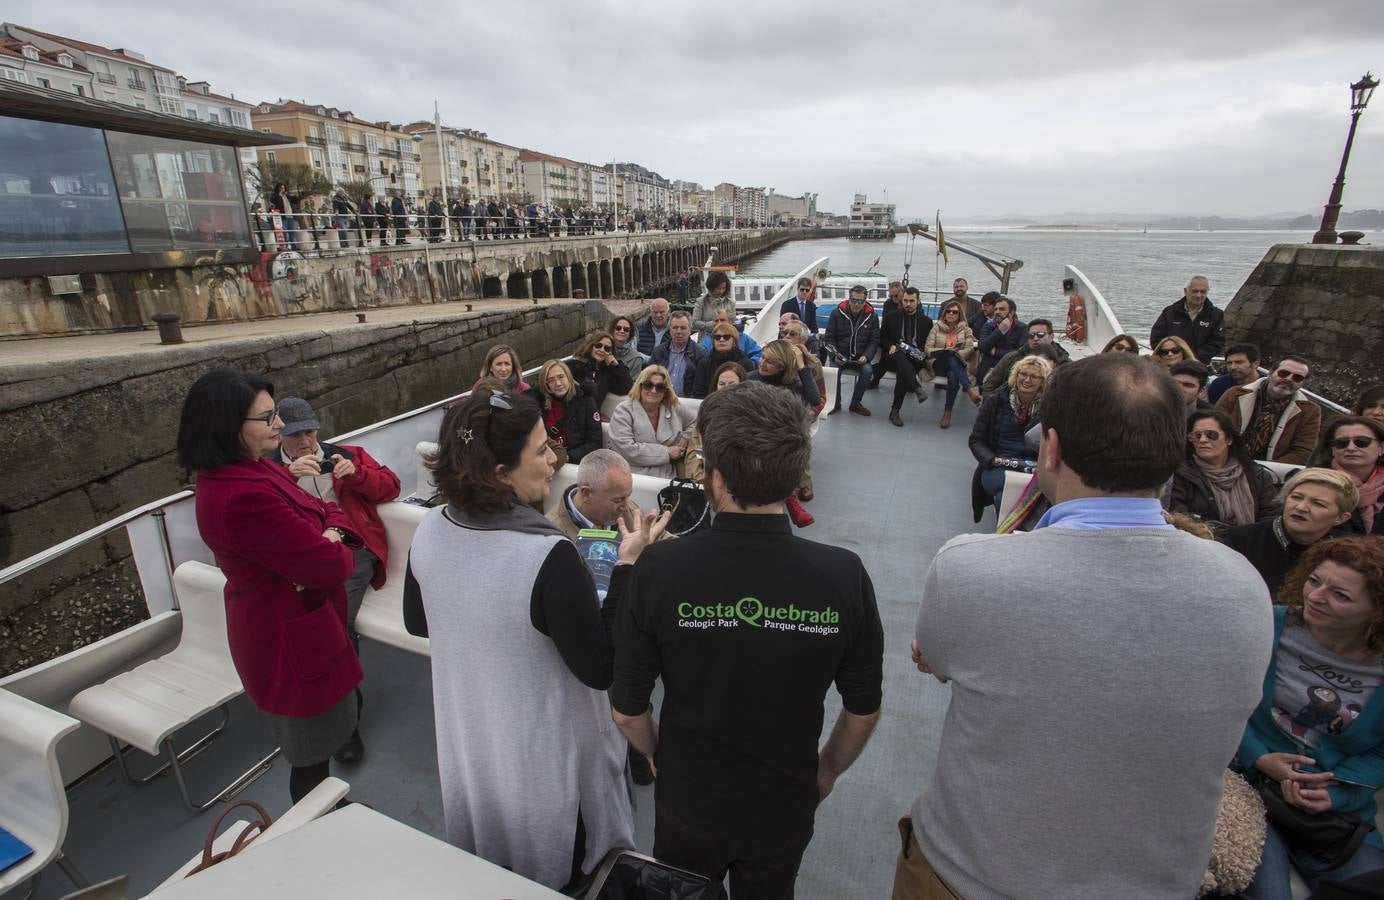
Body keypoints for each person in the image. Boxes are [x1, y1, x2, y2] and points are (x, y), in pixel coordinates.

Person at [896, 352, 1273, 900]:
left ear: (1051, 448)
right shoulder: (1243, 585)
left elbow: (934, 656)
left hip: (975, 875)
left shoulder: (972, 568)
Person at [612, 382, 883, 898]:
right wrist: (823, 774)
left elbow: (627, 711)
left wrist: (660, 758)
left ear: (715, 478)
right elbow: (863, 710)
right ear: (794, 476)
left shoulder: (660, 569)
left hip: (690, 799)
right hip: (785, 802)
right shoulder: (844, 576)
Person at [402, 387, 665, 890]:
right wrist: (628, 564)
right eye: (542, 450)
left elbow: (420, 622)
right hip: (546, 765)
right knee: (565, 869)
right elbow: (600, 669)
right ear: (500, 473)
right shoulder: (547, 557)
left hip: (476, 745)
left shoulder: (432, 527)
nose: (553, 460)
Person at [176, 370, 363, 803]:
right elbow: (329, 564)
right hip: (290, 641)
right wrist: (329, 538)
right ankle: (323, 824)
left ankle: (333, 815)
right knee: (311, 756)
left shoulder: (251, 470)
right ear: (228, 427)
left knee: (320, 742)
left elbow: (321, 509)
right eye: (267, 418)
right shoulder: (241, 496)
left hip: (302, 621)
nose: (279, 425)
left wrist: (326, 531)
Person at [1232, 537, 1384, 898]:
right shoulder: (1268, 624)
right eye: (1314, 581)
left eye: (1340, 595)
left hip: (1333, 813)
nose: (1315, 597)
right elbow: (1218, 701)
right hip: (1248, 788)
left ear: (1377, 611)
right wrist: (1258, 756)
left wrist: (1335, 791)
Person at [274, 397, 400, 764]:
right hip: (300, 556)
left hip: (350, 548)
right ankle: (304, 709)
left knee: (336, 623)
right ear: (280, 434)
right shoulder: (268, 470)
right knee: (291, 622)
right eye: (296, 435)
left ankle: (346, 723)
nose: (306, 442)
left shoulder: (347, 454)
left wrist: (356, 475)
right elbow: (257, 504)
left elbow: (390, 486)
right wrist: (289, 476)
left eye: (310, 432)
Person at [1220, 468, 1357, 596]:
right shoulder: (1241, 540)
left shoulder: (1347, 554)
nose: (1301, 507)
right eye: (1296, 497)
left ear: (1340, 518)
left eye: (1318, 503)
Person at [1166, 408, 1281, 529]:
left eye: (1211, 435)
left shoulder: (1257, 475)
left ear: (1229, 439)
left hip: (1249, 544)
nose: (1202, 440)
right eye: (1197, 435)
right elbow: (1179, 517)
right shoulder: (1180, 475)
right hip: (1202, 542)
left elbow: (1270, 518)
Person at [969, 355, 1052, 517]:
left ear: (1043, 381)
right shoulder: (995, 401)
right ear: (1016, 375)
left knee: (1005, 498)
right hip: (999, 465)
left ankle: (1007, 534)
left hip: (1034, 467)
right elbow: (976, 440)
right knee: (1010, 492)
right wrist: (991, 460)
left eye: (1034, 376)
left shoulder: (1050, 408)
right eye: (1023, 374)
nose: (1027, 380)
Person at [1217, 355, 1322, 466]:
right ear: (1270, 373)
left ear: (1303, 383)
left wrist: (1263, 471)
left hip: (1271, 474)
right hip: (1225, 462)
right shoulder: (1234, 394)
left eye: (1297, 378)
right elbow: (1214, 429)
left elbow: (1303, 453)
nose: (1288, 379)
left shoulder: (1310, 411)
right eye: (1283, 373)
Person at [607, 366, 697, 478]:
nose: (653, 391)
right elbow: (627, 449)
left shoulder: (674, 407)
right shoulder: (624, 410)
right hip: (631, 475)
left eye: (660, 387)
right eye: (648, 385)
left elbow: (698, 422)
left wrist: (685, 437)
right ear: (639, 386)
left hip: (667, 475)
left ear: (666, 391)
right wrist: (667, 452)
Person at [1316, 416, 1384, 536]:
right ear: (1332, 449)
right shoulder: (1313, 482)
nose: (1351, 448)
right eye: (1341, 443)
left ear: (1381, 448)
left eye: (1362, 442)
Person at [525, 360, 602, 464]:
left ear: (568, 377)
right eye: (551, 380)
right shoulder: (538, 403)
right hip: (546, 458)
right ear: (546, 384)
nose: (558, 383)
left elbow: (595, 443)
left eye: (561, 377)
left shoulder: (586, 401)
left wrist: (568, 457)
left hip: (575, 461)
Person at [879, 286, 934, 427]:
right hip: (893, 356)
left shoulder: (926, 322)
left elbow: (927, 344)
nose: (908, 304)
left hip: (915, 358)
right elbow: (882, 338)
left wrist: (918, 351)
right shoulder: (890, 317)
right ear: (901, 300)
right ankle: (915, 388)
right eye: (905, 300)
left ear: (918, 301)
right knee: (899, 354)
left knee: (904, 370)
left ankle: (895, 411)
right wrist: (890, 345)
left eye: (911, 301)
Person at [824, 285, 881, 417]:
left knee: (868, 371)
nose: (856, 304)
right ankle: (835, 403)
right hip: (840, 356)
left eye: (860, 301)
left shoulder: (872, 316)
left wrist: (866, 356)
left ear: (865, 300)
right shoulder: (836, 313)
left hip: (860, 357)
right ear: (849, 298)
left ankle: (855, 403)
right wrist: (834, 356)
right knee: (834, 372)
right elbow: (829, 339)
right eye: (854, 300)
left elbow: (874, 341)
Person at [925, 298, 981, 429]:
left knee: (953, 374)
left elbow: (969, 348)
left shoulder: (966, 330)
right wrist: (943, 351)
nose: (951, 314)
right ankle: (969, 389)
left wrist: (956, 353)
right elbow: (927, 349)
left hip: (955, 365)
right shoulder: (936, 328)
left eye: (954, 312)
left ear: (959, 315)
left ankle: (947, 412)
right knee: (950, 356)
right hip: (937, 363)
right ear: (944, 314)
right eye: (948, 311)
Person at [981, 317, 1070, 397]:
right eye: (1031, 335)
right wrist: (993, 407)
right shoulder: (1011, 358)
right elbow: (989, 385)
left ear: (1051, 336)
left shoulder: (1065, 364)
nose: (1035, 338)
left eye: (1041, 334)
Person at [1149, 274, 1226, 364]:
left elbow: (1217, 342)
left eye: (1203, 292)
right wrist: (1173, 354)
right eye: (1195, 291)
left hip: (1199, 365)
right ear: (1186, 291)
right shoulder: (1170, 312)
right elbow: (1156, 339)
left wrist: (1193, 357)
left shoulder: (1216, 315)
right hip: (1171, 365)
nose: (1198, 295)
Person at [567, 332, 635, 411]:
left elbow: (627, 388)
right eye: (598, 346)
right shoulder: (574, 365)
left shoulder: (607, 372)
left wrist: (617, 366)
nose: (602, 350)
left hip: (593, 417)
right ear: (591, 346)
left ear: (610, 353)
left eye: (607, 348)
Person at [648, 311, 706, 398]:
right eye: (675, 328)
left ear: (690, 330)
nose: (678, 332)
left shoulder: (700, 354)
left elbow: (700, 387)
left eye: (683, 328)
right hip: (661, 399)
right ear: (670, 329)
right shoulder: (658, 352)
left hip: (687, 402)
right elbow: (649, 379)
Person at [780, 318, 827, 420]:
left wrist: (807, 416)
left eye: (792, 334)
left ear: (803, 340)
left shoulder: (813, 363)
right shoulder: (773, 358)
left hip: (801, 413)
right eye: (784, 333)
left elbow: (821, 398)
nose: (787, 336)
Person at [691, 323, 751, 398]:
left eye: (726, 337)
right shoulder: (704, 363)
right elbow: (698, 392)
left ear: (734, 340)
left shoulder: (746, 363)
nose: (721, 340)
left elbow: (749, 392)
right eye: (717, 337)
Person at [976, 295, 1026, 385]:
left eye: (1002, 309)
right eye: (996, 309)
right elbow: (982, 347)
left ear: (1011, 313)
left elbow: (1020, 353)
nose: (997, 312)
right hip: (987, 370)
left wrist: (996, 352)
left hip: (1010, 371)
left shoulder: (1022, 328)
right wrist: (999, 331)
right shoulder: (988, 326)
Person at [698, 309, 762, 364]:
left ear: (731, 322)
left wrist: (749, 364)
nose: (719, 323)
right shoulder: (708, 340)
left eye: (722, 320)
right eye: (716, 321)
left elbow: (759, 354)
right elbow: (701, 357)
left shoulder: (743, 338)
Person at [607, 316, 645, 380]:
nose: (622, 331)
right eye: (618, 328)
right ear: (612, 330)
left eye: (626, 329)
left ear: (630, 334)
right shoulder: (603, 349)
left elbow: (633, 386)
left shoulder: (636, 358)